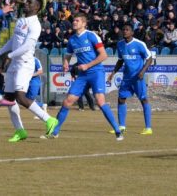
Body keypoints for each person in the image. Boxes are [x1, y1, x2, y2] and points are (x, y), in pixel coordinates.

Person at [44, 13, 123, 141]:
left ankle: (118, 131)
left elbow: (103, 55)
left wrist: (87, 65)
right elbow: (68, 55)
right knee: (67, 101)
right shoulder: (72, 39)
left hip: (96, 72)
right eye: (74, 20)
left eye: (77, 20)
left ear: (84, 24)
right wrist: (65, 63)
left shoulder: (92, 36)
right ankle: (55, 132)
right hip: (83, 75)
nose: (74, 22)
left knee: (100, 101)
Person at [0, 0, 58, 143]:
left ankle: (49, 120)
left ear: (36, 8)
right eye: (27, 1)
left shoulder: (35, 24)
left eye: (30, 2)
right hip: (14, 62)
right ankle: (20, 131)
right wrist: (0, 52)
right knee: (9, 99)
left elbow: (28, 46)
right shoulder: (21, 20)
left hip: (25, 63)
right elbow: (13, 40)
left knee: (20, 97)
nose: (26, 3)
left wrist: (9, 55)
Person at [108, 24, 154, 135]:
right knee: (121, 99)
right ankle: (122, 126)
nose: (125, 31)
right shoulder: (120, 44)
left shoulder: (139, 44)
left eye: (127, 30)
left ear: (132, 32)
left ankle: (148, 128)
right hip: (127, 78)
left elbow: (149, 58)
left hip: (138, 77)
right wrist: (113, 73)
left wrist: (142, 72)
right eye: (123, 29)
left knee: (144, 100)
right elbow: (120, 60)